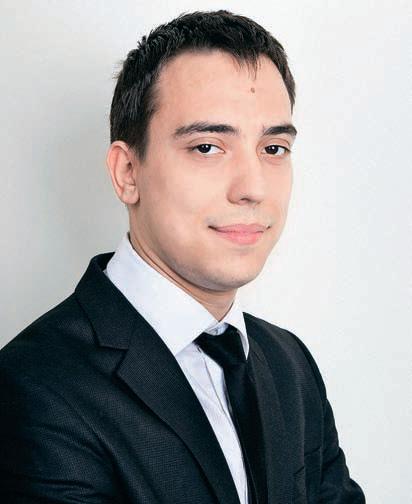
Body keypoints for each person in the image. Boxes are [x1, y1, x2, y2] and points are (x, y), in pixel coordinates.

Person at [0, 9, 365, 504]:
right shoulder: (36, 387)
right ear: (128, 172)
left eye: (274, 148)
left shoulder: (289, 364)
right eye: (208, 147)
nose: (254, 188)